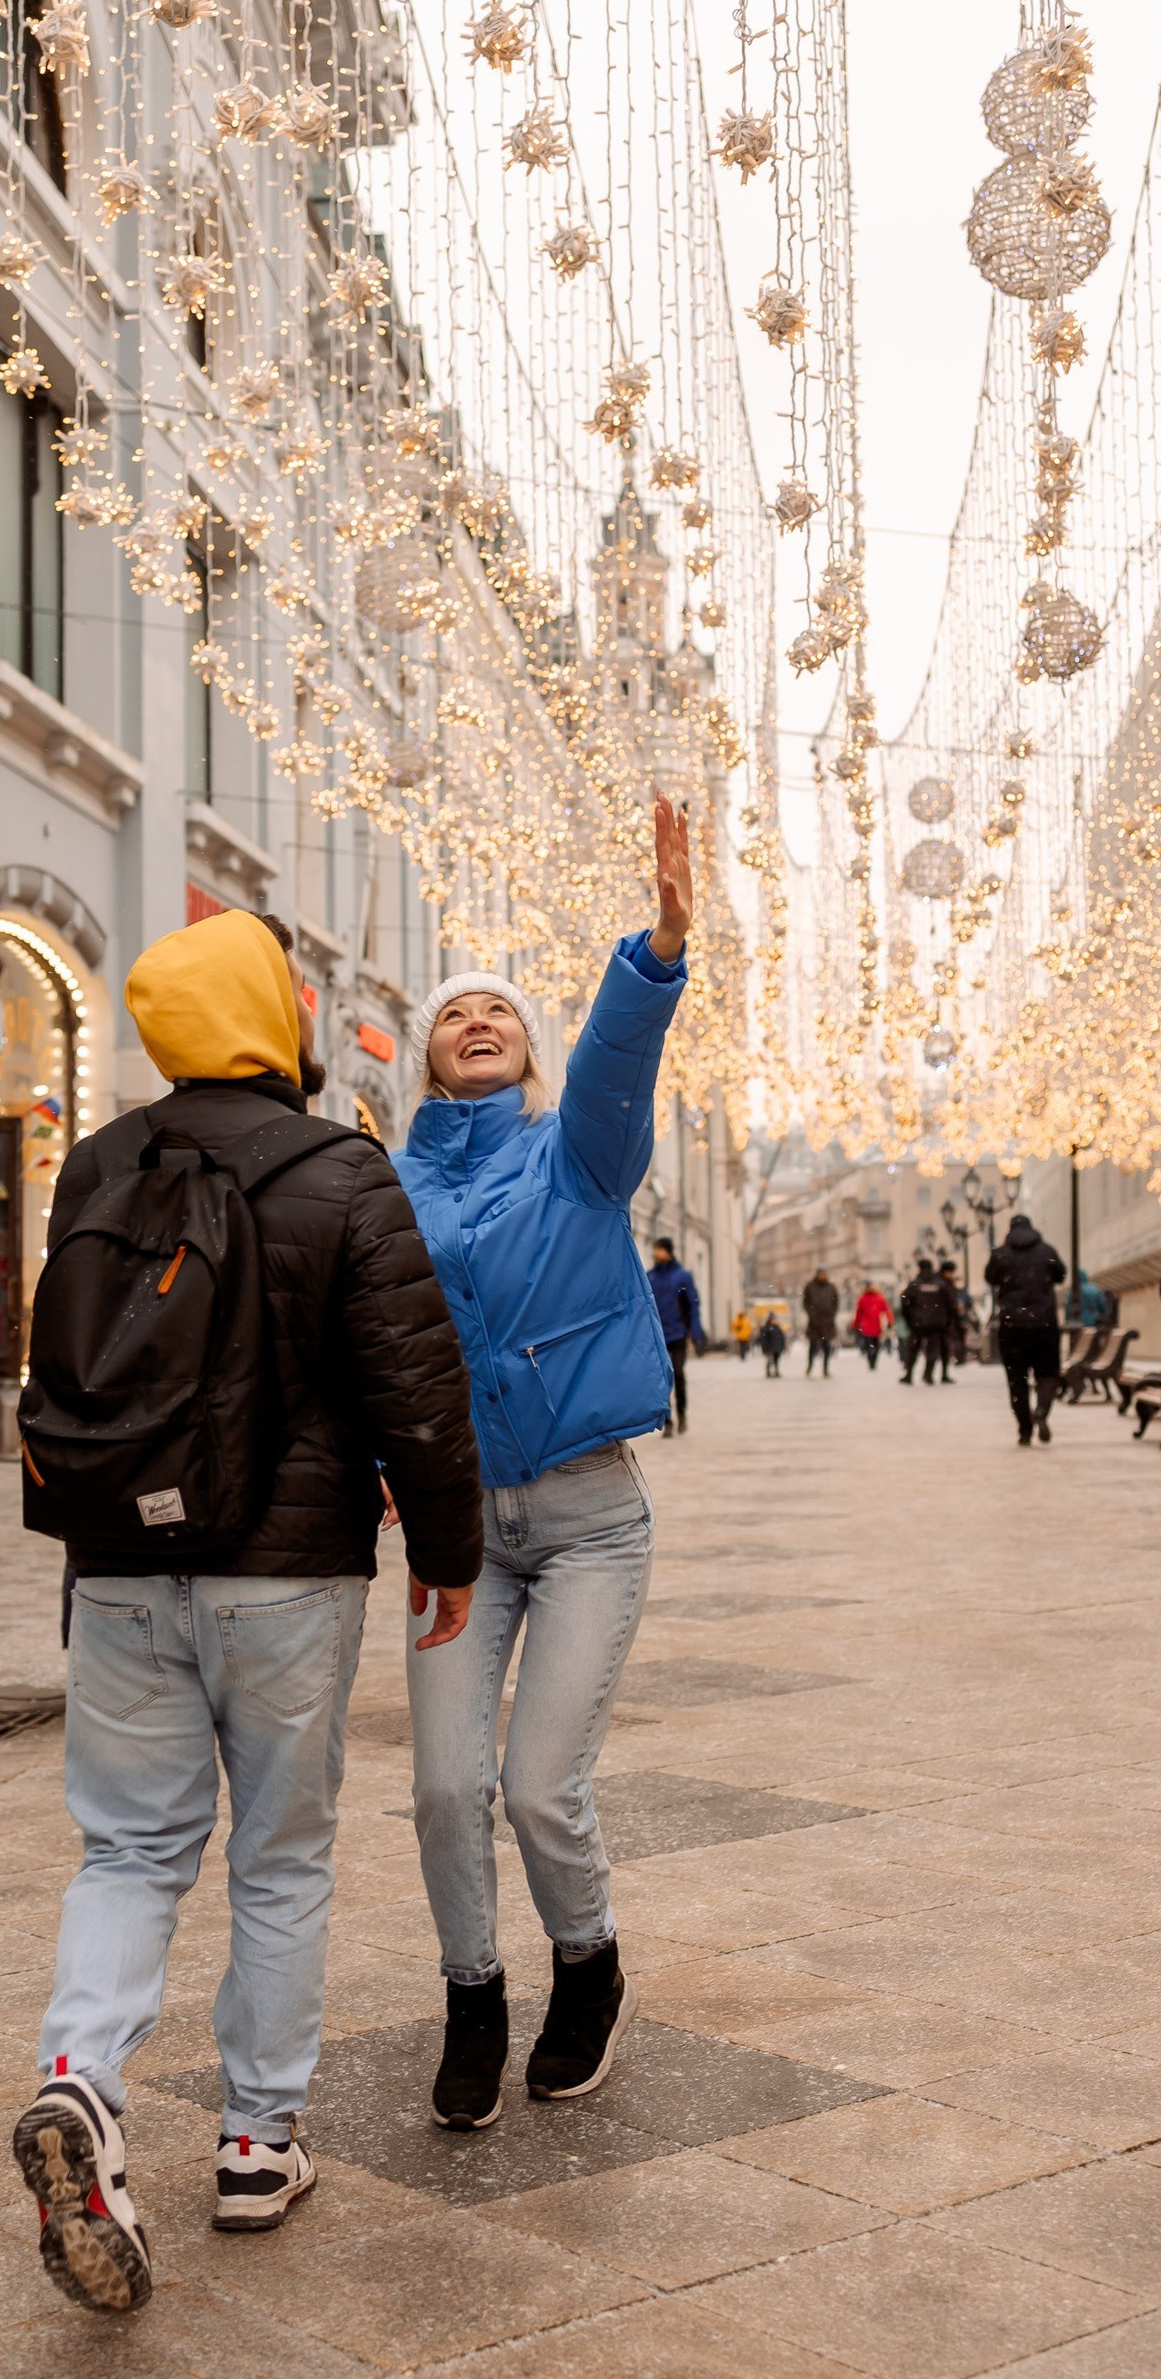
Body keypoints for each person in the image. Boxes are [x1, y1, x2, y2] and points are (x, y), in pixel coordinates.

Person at [12, 908, 484, 2314]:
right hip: (284, 1578)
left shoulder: (98, 1162)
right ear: (270, 1016)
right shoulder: (340, 1167)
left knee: (127, 1850)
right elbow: (414, 1383)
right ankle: (257, 2143)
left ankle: (80, 2081)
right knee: (278, 1857)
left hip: (118, 1569)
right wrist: (448, 1551)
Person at [391, 792, 691, 2133]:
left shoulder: (576, 1159)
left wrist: (655, 953)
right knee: (443, 1788)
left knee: (535, 1786)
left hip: (586, 1522)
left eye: (498, 1011)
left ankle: (588, 1967)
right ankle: (473, 1998)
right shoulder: (386, 1189)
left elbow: (617, 1065)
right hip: (454, 1531)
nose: (477, 1018)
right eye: (454, 1010)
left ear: (524, 1048)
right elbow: (363, 1343)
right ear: (424, 1054)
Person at [986, 1211, 1068, 1445]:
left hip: (1012, 1326)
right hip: (1044, 1323)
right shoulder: (1047, 1251)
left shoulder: (1001, 1254)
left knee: (1017, 1379)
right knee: (1047, 1373)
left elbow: (990, 1278)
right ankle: (1041, 1410)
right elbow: (1061, 1275)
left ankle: (1024, 1430)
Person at [648, 1237, 704, 1434]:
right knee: (662, 1380)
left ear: (668, 1251)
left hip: (678, 1334)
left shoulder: (682, 1276)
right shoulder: (650, 1277)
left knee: (678, 1374)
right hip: (658, 1335)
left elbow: (693, 1304)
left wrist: (695, 1332)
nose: (655, 1253)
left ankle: (682, 1414)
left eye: (658, 1249)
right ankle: (668, 1421)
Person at [899, 1258, 957, 1386]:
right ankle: (928, 1375)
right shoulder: (941, 1284)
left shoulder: (914, 1284)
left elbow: (904, 1303)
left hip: (918, 1323)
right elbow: (951, 1304)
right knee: (933, 1349)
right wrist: (946, 1321)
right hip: (936, 1324)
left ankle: (909, 1375)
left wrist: (910, 1320)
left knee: (914, 1349)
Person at [802, 1269, 839, 1377]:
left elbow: (836, 1302)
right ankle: (810, 1366)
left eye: (824, 1274)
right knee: (813, 1346)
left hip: (827, 1322)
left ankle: (825, 1368)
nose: (823, 1276)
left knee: (827, 1346)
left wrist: (831, 1315)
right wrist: (811, 1314)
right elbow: (806, 1302)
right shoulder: (810, 1286)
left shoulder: (831, 1287)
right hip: (814, 1322)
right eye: (821, 1274)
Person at [851, 1280, 892, 1371]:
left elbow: (886, 1310)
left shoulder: (878, 1297)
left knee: (874, 1345)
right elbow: (859, 1313)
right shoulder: (864, 1298)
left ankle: (872, 1361)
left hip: (876, 1325)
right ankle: (871, 1361)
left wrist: (889, 1321)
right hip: (868, 1325)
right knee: (870, 1345)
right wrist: (855, 1324)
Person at [938, 1260, 966, 1379]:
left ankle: (938, 1373)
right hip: (944, 1319)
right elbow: (951, 1301)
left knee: (940, 1346)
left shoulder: (943, 1282)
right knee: (942, 1346)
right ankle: (941, 1373)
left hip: (940, 1319)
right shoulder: (945, 1284)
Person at [758, 1312, 787, 1377]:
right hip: (769, 1348)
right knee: (769, 1361)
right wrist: (765, 1348)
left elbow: (781, 1337)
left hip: (777, 1348)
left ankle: (776, 1371)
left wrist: (782, 1346)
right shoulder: (766, 1328)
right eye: (773, 1319)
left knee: (776, 1361)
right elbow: (764, 1339)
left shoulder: (777, 1327)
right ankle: (768, 1372)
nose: (774, 1320)